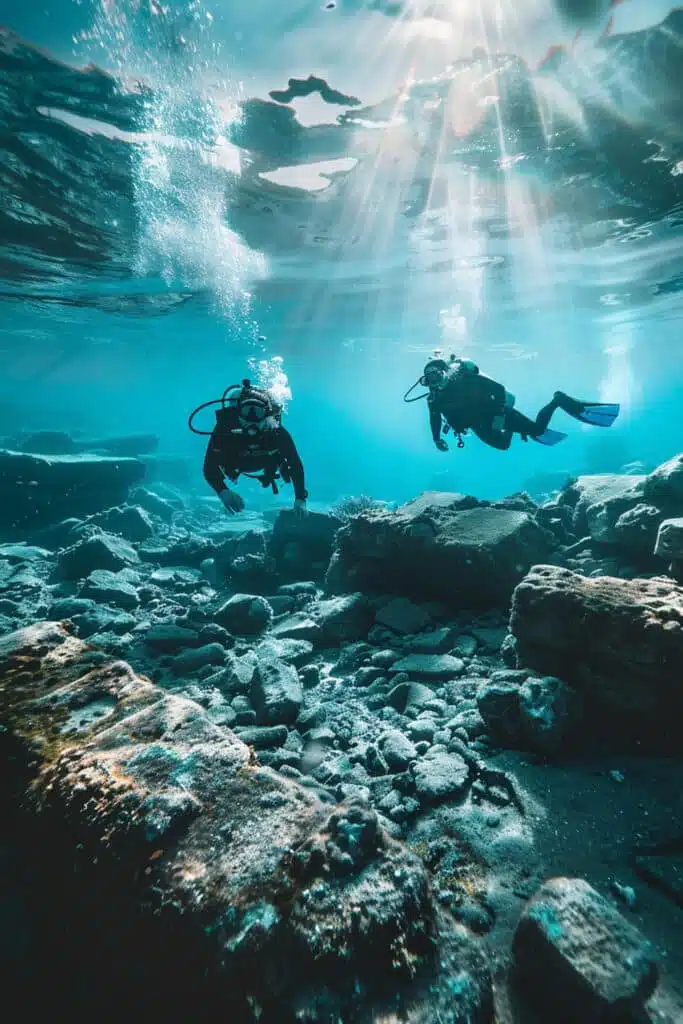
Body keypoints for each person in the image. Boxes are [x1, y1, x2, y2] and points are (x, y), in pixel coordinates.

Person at [408, 355, 619, 452]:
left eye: (435, 375)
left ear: (445, 372)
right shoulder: (434, 398)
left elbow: (498, 389)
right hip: (476, 425)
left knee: (537, 429)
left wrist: (501, 415)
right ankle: (517, 429)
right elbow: (434, 418)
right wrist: (436, 439)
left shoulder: (466, 380)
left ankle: (558, 400)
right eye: (429, 379)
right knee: (503, 445)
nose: (433, 381)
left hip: (496, 414)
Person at [198, 379, 308, 518]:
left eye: (257, 412)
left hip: (267, 461)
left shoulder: (276, 431)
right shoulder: (225, 429)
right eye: (247, 411)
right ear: (238, 413)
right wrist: (223, 491)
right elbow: (209, 466)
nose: (252, 419)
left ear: (267, 415)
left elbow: (295, 463)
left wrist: (300, 498)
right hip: (235, 463)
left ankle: (277, 465)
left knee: (281, 463)